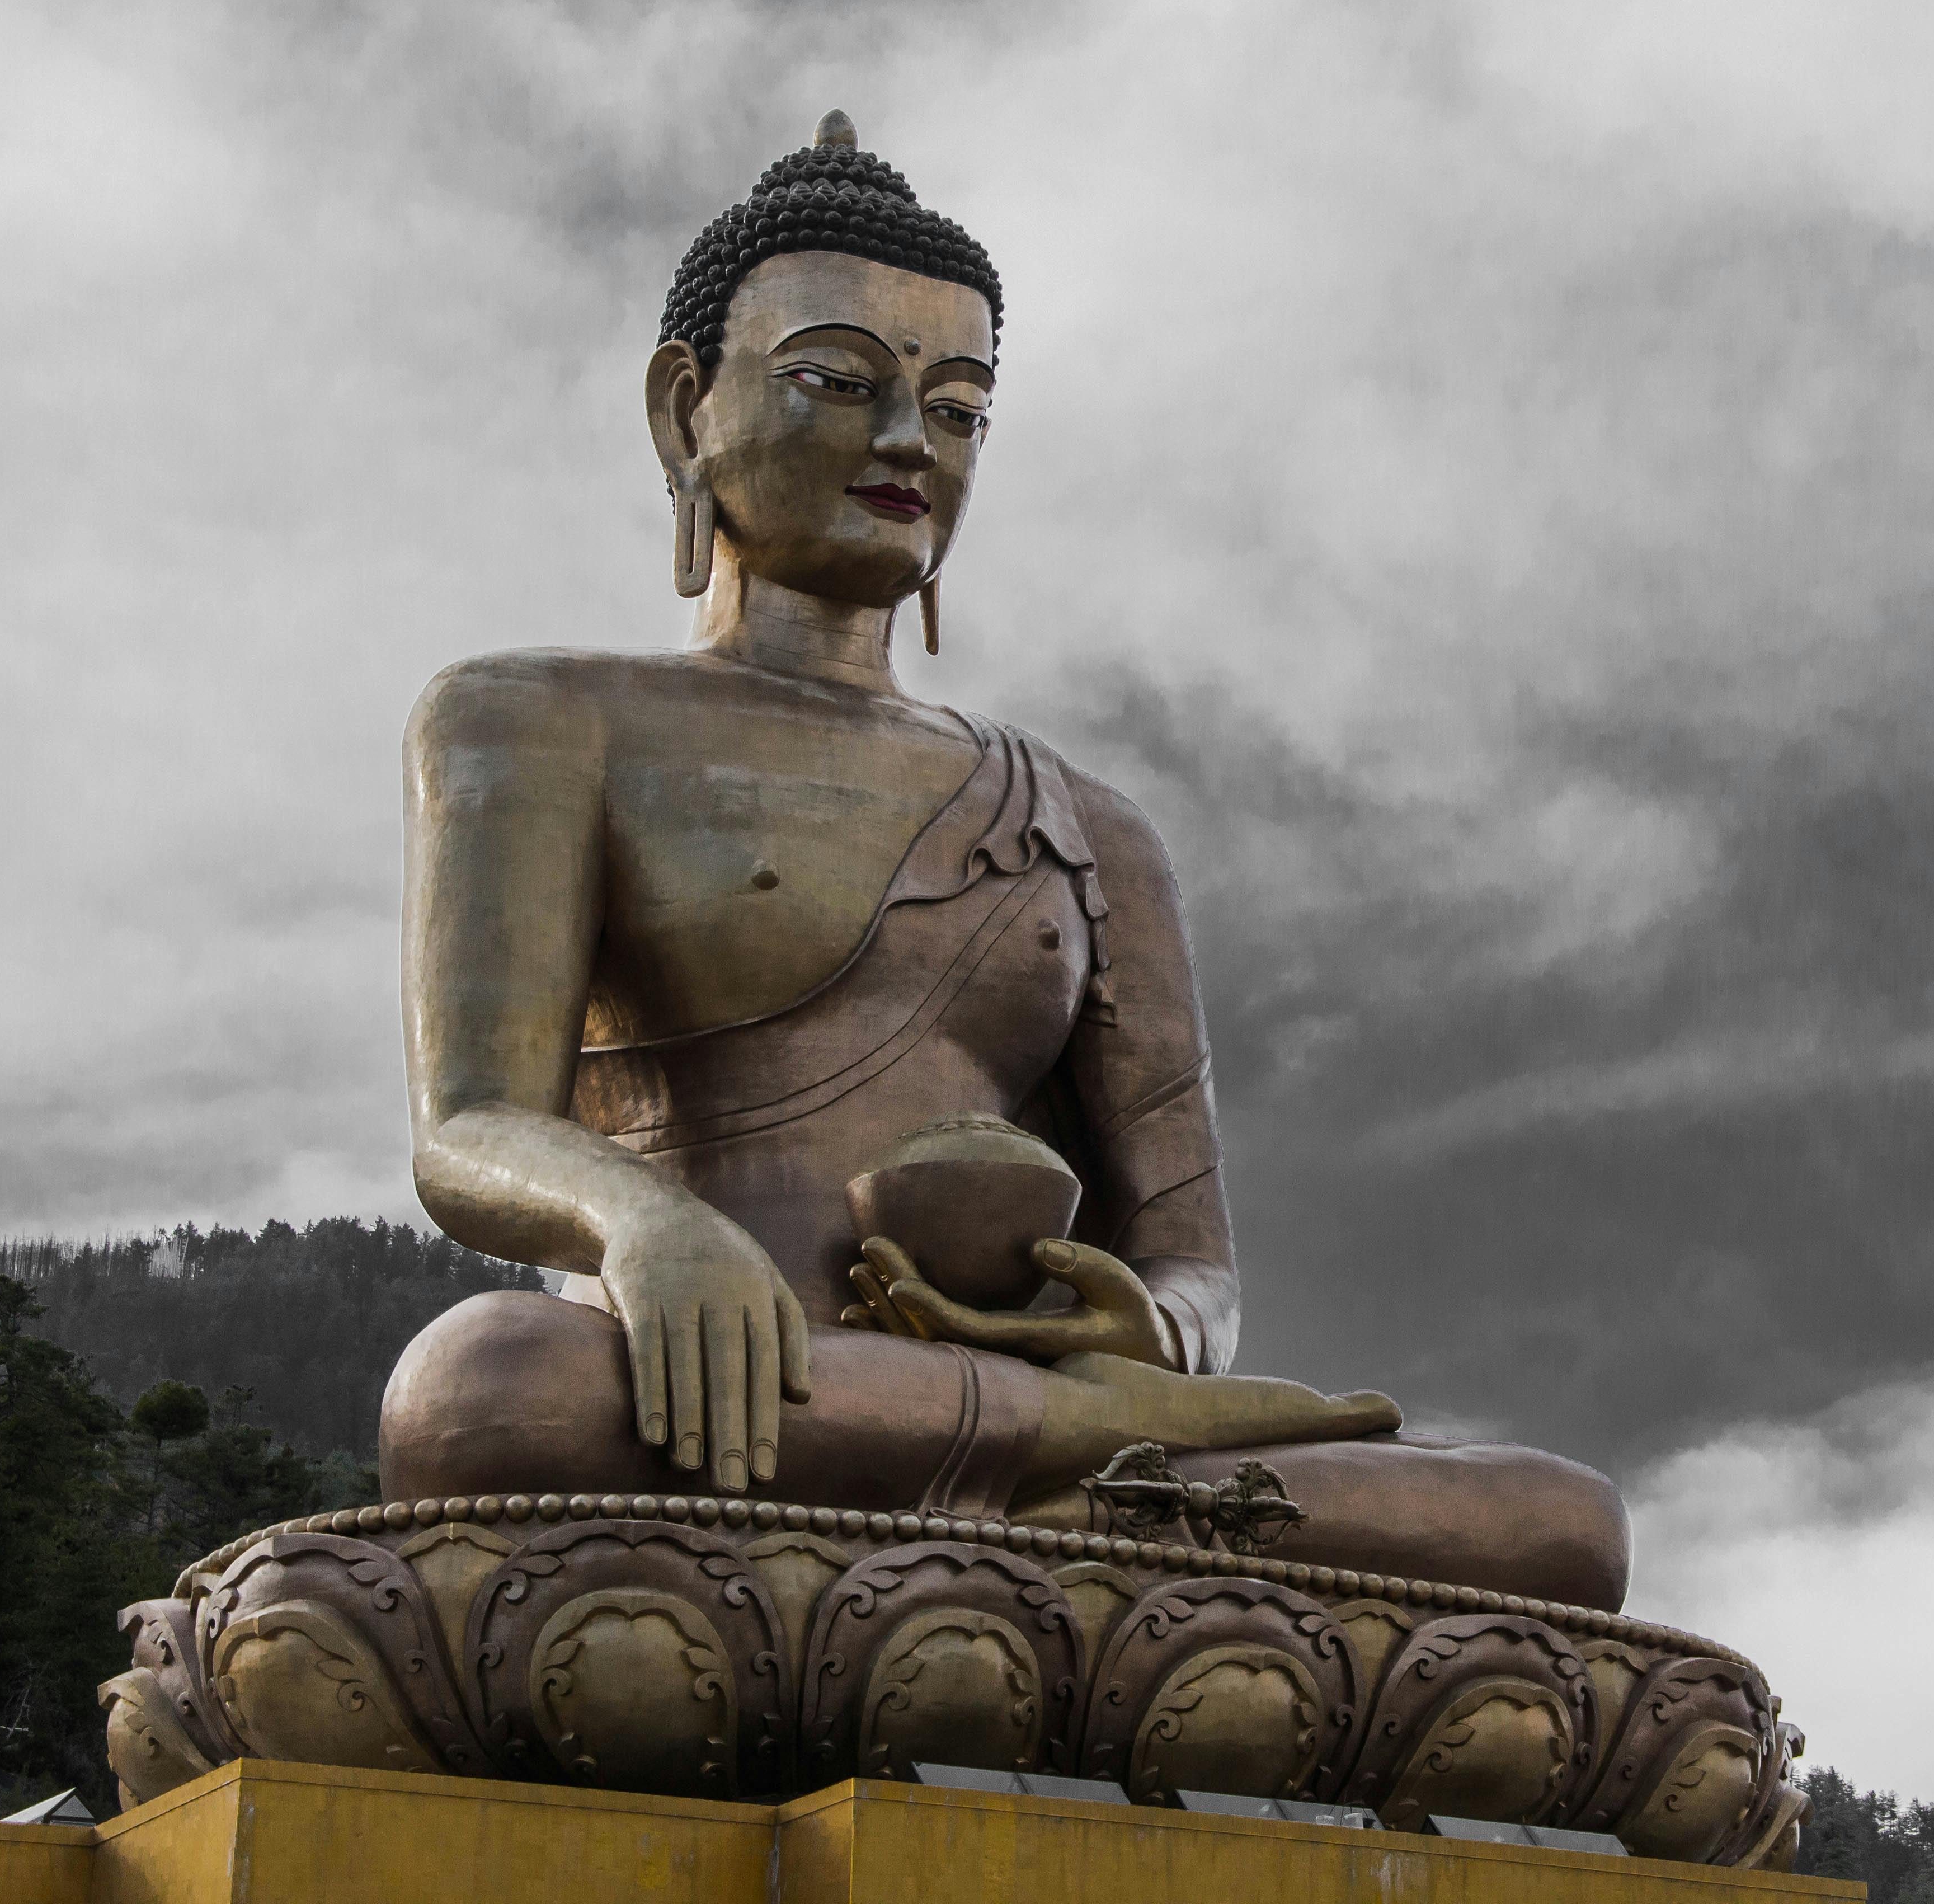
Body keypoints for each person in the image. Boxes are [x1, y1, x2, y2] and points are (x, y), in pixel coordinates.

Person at [378, 113, 1627, 1609]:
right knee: (487, 1392)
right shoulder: (534, 721)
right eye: (840, 383)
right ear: (681, 413)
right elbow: (468, 1131)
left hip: (953, 1417)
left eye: (958, 408)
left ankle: (1058, 1487)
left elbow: (1194, 1269)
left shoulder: (1091, 825)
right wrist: (646, 1223)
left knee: (1560, 1528)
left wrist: (1146, 1338)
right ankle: (1069, 1501)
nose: (908, 443)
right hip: (699, 1404)